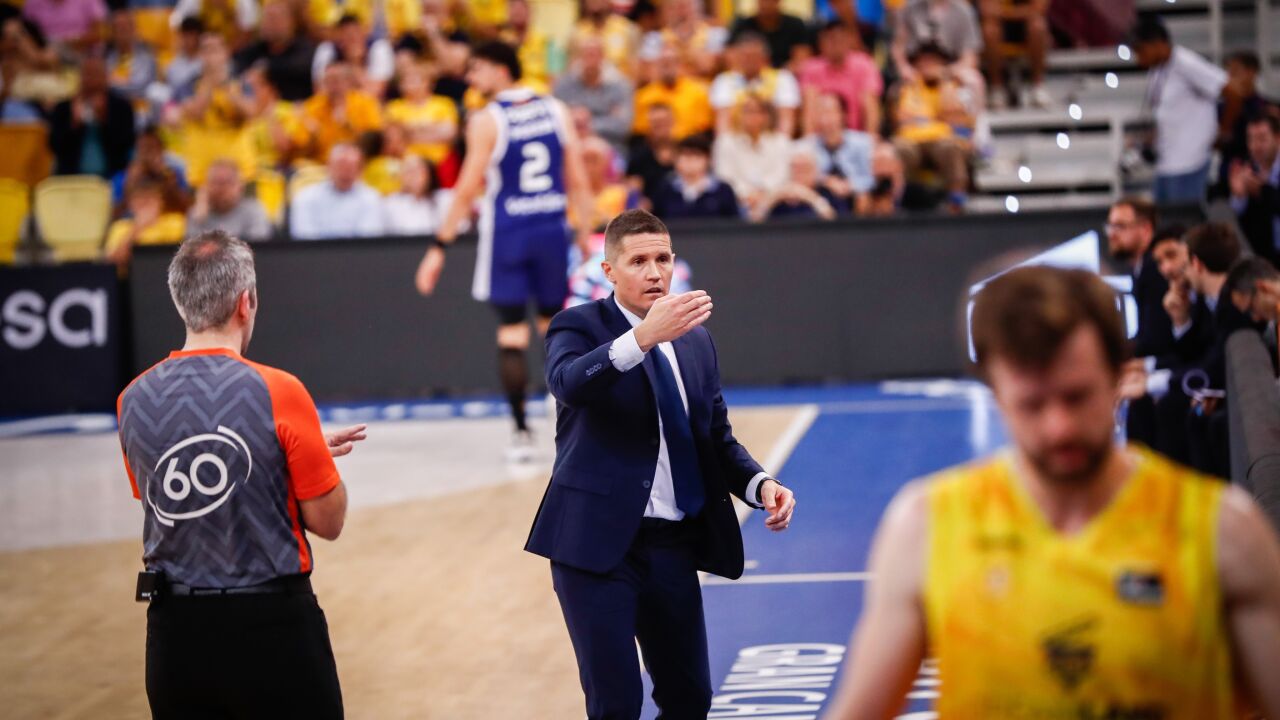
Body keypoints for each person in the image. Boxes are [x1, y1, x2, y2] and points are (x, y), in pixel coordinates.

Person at [823, 265, 1280, 720]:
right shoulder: (926, 528)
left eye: (1076, 396)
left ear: (1118, 378)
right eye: (1032, 404)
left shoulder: (1224, 533)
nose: (1059, 427)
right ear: (996, 397)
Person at [526, 209, 797, 720]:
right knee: (616, 704)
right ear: (609, 271)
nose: (655, 272)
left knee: (690, 698)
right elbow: (570, 384)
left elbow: (715, 437)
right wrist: (642, 338)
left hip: (671, 544)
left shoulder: (695, 339)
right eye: (639, 262)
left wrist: (761, 484)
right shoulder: (577, 325)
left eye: (663, 259)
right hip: (594, 546)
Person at [117, 230, 366, 718]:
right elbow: (329, 521)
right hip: (271, 630)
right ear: (245, 302)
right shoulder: (278, 390)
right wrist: (304, 458)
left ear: (180, 301)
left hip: (174, 638)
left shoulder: (132, 400)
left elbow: (181, 509)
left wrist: (280, 454)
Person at [414, 41, 593, 459]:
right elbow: (578, 179)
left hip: (509, 234)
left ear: (500, 69)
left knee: (512, 333)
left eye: (477, 68)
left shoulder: (487, 119)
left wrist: (439, 246)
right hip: (551, 230)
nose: (471, 77)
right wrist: (584, 233)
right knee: (554, 327)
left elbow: (466, 188)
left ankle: (521, 433)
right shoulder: (556, 109)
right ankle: (565, 408)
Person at [1131, 17, 1227, 204]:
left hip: (1191, 163)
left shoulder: (1186, 62)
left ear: (1158, 44)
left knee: (1184, 219)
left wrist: (1223, 132)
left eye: (1141, 50)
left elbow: (1231, 91)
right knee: (1162, 220)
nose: (1138, 58)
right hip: (1166, 164)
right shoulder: (1157, 71)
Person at [891, 42, 972, 213]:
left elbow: (956, 118)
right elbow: (900, 119)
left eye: (932, 61)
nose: (927, 66)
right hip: (911, 140)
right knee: (899, 149)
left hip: (942, 139)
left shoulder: (954, 86)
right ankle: (895, 204)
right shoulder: (905, 87)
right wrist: (937, 117)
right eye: (923, 61)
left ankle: (956, 206)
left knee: (951, 147)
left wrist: (945, 82)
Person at [49, 55, 136, 179]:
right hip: (72, 179)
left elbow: (126, 145)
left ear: (106, 77)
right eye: (87, 74)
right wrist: (73, 123)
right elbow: (55, 146)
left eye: (96, 74)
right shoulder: (63, 108)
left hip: (112, 176)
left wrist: (105, 119)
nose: (92, 80)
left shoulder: (122, 107)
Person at [553, 35, 634, 155]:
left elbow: (622, 126)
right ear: (578, 57)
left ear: (603, 57)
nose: (590, 60)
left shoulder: (620, 85)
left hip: (610, 147)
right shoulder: (564, 84)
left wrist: (586, 124)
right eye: (586, 54)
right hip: (572, 147)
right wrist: (606, 119)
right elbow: (555, 119)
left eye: (594, 54)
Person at [798, 20, 881, 136]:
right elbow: (809, 108)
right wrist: (810, 140)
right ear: (821, 43)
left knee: (869, 99)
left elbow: (870, 104)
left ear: (849, 40)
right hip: (821, 137)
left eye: (840, 39)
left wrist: (870, 140)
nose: (835, 44)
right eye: (830, 39)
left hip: (856, 136)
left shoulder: (864, 64)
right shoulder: (812, 68)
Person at [713, 94, 791, 217]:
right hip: (736, 202)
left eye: (759, 112)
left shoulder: (780, 142)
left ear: (767, 116)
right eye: (748, 111)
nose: (753, 116)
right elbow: (724, 175)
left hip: (774, 201)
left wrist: (763, 193)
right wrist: (746, 194)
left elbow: (782, 174)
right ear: (738, 114)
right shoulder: (725, 142)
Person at [710, 32, 800, 137]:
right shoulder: (724, 80)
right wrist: (726, 143)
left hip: (772, 139)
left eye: (754, 56)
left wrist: (781, 143)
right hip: (736, 139)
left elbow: (786, 119)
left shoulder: (783, 78)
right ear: (737, 57)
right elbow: (723, 121)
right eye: (745, 56)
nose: (749, 61)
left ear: (766, 58)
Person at [291, 143, 385, 240]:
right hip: (316, 249)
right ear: (328, 165)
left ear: (360, 170)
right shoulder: (306, 197)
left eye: (351, 167)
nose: (345, 171)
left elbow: (369, 239)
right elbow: (304, 237)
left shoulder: (372, 198)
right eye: (341, 165)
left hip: (358, 249)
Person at [804, 92, 875, 215]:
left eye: (829, 111)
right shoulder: (807, 145)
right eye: (819, 112)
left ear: (843, 114)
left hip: (854, 195)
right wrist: (826, 181)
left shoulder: (863, 143)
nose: (824, 117)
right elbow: (802, 177)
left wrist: (851, 185)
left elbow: (871, 177)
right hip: (819, 197)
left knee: (863, 196)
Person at [299, 61, 383, 163]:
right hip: (321, 164)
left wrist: (350, 126)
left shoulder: (366, 103)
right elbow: (300, 151)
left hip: (359, 163)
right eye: (327, 81)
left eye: (336, 81)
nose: (332, 87)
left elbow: (374, 143)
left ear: (348, 82)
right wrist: (312, 137)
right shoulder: (313, 106)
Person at [233, 1, 317, 102]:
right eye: (268, 18)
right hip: (257, 106)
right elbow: (238, 68)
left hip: (296, 106)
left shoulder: (305, 49)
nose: (272, 24)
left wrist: (267, 69)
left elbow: (300, 67)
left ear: (291, 22)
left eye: (276, 18)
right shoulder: (255, 50)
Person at [631, 42, 713, 141]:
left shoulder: (698, 93)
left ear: (680, 65)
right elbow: (639, 132)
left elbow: (705, 129)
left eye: (672, 61)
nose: (668, 66)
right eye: (663, 62)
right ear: (656, 65)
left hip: (689, 144)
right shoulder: (642, 96)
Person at [385, 61, 458, 169]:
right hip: (406, 162)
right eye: (405, 80)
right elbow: (394, 139)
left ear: (427, 82)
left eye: (413, 80)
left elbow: (448, 134)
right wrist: (432, 128)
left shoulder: (444, 104)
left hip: (439, 160)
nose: (407, 84)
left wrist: (409, 131)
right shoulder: (394, 107)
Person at [979, 0, 1051, 109]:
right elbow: (987, 10)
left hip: (1025, 26)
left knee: (1038, 26)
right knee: (989, 30)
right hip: (999, 26)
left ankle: (1037, 85)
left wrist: (1006, 12)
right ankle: (996, 87)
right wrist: (1022, 11)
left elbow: (1038, 10)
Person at [1229, 114, 1280, 264]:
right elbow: (1235, 219)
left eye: (1262, 139)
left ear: (1277, 138)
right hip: (1263, 256)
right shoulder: (1247, 170)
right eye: (1251, 139)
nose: (1256, 146)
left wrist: (1262, 191)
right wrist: (1239, 195)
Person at [651, 134, 740, 220]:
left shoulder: (723, 190)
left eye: (696, 155)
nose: (689, 160)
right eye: (684, 155)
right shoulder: (665, 189)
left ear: (708, 160)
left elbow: (734, 223)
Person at [104, 178, 188, 268]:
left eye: (150, 199)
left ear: (161, 201)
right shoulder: (121, 227)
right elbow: (112, 262)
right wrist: (136, 230)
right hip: (134, 275)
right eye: (139, 200)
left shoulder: (176, 222)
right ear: (130, 204)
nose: (145, 204)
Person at [186, 158, 273, 242]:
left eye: (227, 182)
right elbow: (191, 249)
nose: (221, 189)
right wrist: (199, 217)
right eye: (215, 182)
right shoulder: (198, 212)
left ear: (240, 187)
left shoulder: (254, 210)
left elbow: (259, 245)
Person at [312, 13, 395, 99]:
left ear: (364, 32)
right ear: (337, 36)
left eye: (355, 33)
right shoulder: (327, 49)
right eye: (346, 34)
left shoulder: (379, 47)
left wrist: (354, 63)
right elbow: (320, 94)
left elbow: (376, 93)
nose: (352, 38)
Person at [754, 145, 840, 222]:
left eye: (804, 169)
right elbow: (755, 220)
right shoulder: (780, 198)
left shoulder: (826, 192)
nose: (800, 175)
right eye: (795, 169)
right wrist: (773, 198)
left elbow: (833, 222)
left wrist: (810, 197)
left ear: (815, 171)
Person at [382, 153, 455, 236]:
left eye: (419, 170)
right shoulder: (391, 204)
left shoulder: (445, 198)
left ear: (429, 173)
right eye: (409, 171)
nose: (414, 176)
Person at [728, 0, 812, 69]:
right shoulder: (743, 25)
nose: (766, 5)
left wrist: (779, 73)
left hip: (786, 75)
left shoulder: (795, 24)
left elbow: (802, 57)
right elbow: (730, 55)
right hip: (749, 76)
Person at [626, 102, 678, 209]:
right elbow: (633, 188)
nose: (661, 127)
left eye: (664, 122)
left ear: (672, 122)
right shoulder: (639, 157)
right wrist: (638, 200)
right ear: (649, 125)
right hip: (650, 212)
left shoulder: (684, 151)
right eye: (656, 123)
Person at [105, 9, 157, 105]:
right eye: (117, 28)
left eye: (124, 28)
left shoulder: (146, 57)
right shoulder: (107, 58)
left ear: (134, 30)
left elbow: (140, 86)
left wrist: (114, 81)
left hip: (140, 106)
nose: (121, 33)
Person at [165, 18, 206, 101]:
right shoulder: (175, 63)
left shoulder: (206, 61)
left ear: (199, 37)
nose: (187, 39)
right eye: (184, 35)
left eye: (190, 35)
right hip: (177, 102)